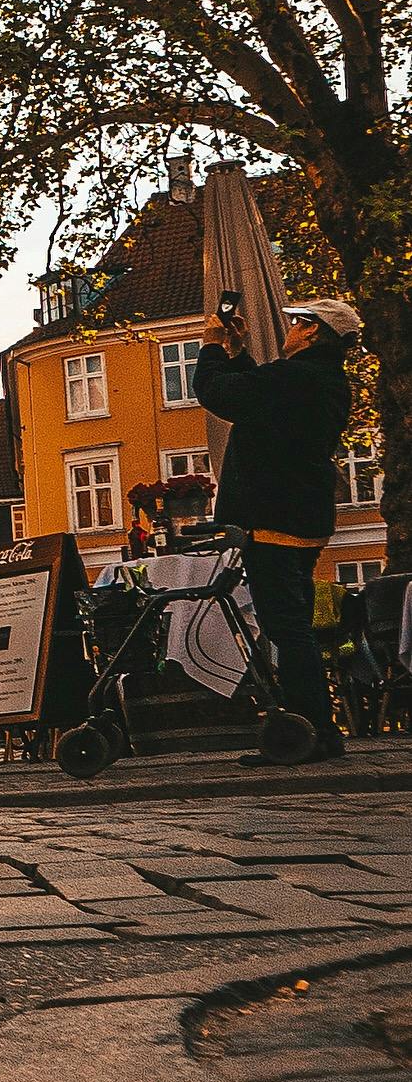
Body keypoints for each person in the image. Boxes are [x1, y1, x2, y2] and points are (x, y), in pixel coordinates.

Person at [195, 291, 358, 759]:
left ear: (312, 331)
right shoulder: (324, 380)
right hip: (304, 515)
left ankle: (310, 732)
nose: (290, 329)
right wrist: (239, 354)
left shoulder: (296, 377)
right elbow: (262, 398)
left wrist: (211, 347)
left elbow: (219, 394)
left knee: (286, 627)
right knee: (295, 624)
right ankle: (315, 729)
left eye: (297, 323)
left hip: (273, 516)